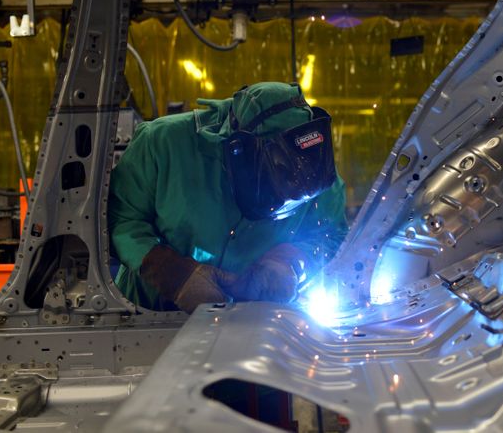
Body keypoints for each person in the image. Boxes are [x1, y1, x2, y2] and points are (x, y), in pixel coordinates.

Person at [108, 82, 348, 313]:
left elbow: (330, 234)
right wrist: (172, 274)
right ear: (241, 151)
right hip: (149, 316)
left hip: (252, 320)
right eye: (279, 182)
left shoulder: (317, 172)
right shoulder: (162, 143)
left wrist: (293, 261)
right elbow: (121, 219)